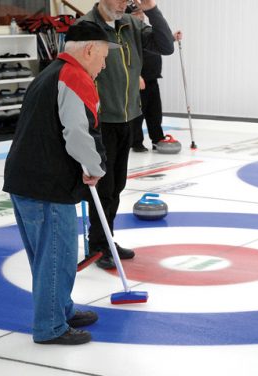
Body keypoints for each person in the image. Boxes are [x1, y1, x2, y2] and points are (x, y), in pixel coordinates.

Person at [3, 21, 118, 345]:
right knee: (57, 257)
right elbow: (77, 133)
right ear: (90, 49)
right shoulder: (74, 76)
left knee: (47, 257)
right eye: (104, 56)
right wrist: (95, 167)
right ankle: (51, 326)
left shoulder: (51, 72)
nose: (104, 64)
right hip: (46, 185)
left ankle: (60, 309)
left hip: (26, 180)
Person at [79, 0, 175, 269]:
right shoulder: (86, 27)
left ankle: (107, 240)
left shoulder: (131, 24)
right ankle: (97, 245)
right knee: (103, 187)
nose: (125, 2)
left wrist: (152, 9)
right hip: (99, 121)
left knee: (117, 186)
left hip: (129, 117)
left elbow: (166, 46)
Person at [129, 9, 183, 152]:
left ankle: (157, 138)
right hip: (139, 80)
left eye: (141, 13)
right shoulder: (130, 32)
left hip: (152, 77)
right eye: (136, 13)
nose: (140, 15)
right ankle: (136, 142)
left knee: (154, 112)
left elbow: (156, 41)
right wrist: (135, 76)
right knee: (138, 113)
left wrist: (171, 38)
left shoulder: (145, 30)